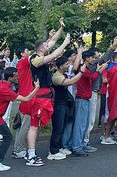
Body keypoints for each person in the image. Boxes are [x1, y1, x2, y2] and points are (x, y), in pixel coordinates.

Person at [25, 21, 70, 167]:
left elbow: (53, 40)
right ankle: (31, 155)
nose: (48, 45)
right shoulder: (34, 58)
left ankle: (31, 152)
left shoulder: (40, 54)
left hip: (44, 94)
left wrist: (61, 28)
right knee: (34, 125)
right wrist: (65, 43)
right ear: (40, 47)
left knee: (36, 125)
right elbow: (53, 54)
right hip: (39, 95)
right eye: (46, 45)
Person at [48, 55, 84, 160]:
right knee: (58, 128)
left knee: (62, 127)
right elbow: (70, 82)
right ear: (60, 66)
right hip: (58, 105)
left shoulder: (62, 74)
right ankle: (53, 151)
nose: (68, 66)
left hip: (64, 104)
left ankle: (59, 147)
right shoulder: (56, 76)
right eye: (66, 64)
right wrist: (81, 72)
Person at [71, 49, 107, 156]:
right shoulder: (81, 68)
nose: (94, 59)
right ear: (87, 58)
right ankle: (77, 147)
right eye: (92, 57)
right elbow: (92, 76)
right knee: (80, 124)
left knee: (84, 124)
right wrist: (99, 70)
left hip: (85, 98)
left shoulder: (85, 68)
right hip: (81, 98)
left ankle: (81, 145)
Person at [11, 45, 32, 159]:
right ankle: (19, 149)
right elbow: (39, 54)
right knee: (25, 125)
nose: (29, 52)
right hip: (26, 97)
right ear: (22, 54)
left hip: (23, 96)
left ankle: (17, 149)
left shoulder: (21, 63)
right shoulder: (23, 62)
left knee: (21, 125)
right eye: (27, 50)